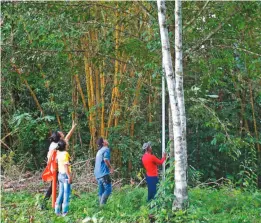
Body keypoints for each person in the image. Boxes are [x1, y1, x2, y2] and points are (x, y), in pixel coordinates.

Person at [54, 122, 77, 216]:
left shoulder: (58, 152)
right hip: (65, 175)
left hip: (59, 175)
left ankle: (56, 211)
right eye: (61, 133)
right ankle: (65, 212)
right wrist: (69, 177)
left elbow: (56, 161)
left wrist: (73, 128)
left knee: (61, 193)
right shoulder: (65, 154)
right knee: (66, 194)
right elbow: (66, 167)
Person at [94, 138, 113, 206]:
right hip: (103, 173)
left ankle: (100, 207)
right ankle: (102, 205)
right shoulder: (106, 149)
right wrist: (111, 168)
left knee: (101, 191)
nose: (106, 140)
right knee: (108, 190)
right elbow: (105, 159)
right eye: (104, 140)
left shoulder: (99, 151)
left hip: (97, 174)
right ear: (103, 143)